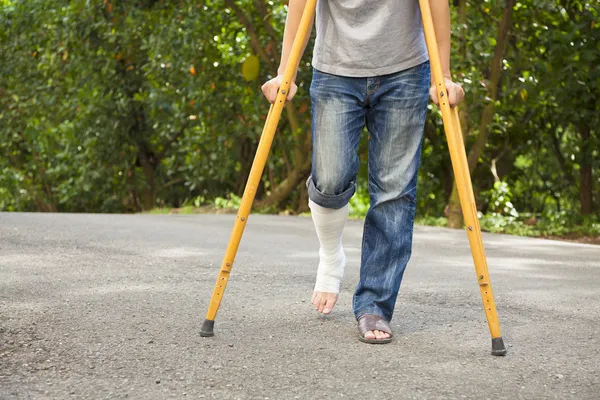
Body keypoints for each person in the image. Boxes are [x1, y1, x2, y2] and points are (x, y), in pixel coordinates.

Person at [261, 0, 465, 344]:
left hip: (405, 71)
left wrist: (442, 76)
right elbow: (300, 6)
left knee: (395, 190)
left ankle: (375, 305)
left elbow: (436, 6)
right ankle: (331, 256)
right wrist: (287, 72)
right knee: (330, 178)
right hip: (335, 70)